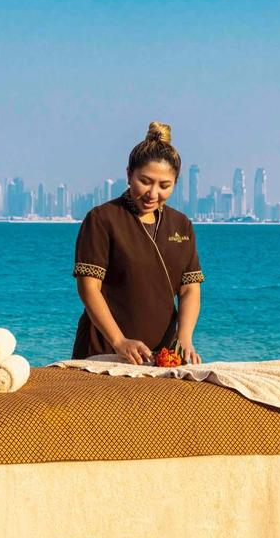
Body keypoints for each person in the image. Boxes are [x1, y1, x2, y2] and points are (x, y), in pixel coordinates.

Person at [71, 121, 204, 364]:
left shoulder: (181, 224)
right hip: (104, 350)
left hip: (163, 356)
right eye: (145, 181)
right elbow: (89, 288)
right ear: (129, 174)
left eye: (164, 186)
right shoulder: (102, 219)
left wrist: (184, 338)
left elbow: (189, 288)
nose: (153, 194)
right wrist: (119, 341)